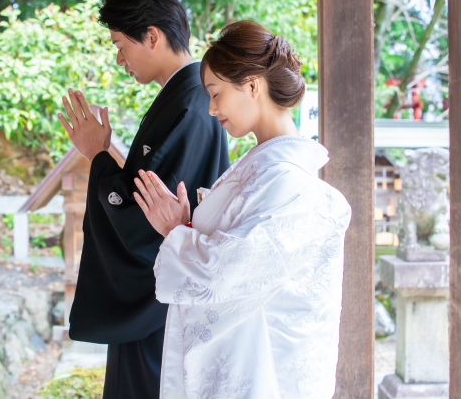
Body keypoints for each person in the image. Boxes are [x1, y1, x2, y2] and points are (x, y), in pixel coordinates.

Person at [133, 21, 352, 399]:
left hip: (264, 371)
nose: (212, 107)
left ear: (252, 86)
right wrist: (189, 224)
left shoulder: (286, 181)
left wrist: (175, 230)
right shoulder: (262, 170)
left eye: (216, 93)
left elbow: (230, 272)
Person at [58, 0, 230, 399]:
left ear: (151, 36)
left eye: (121, 45)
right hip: (164, 299)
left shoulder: (190, 106)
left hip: (160, 308)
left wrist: (98, 154)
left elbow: (142, 219)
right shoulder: (186, 99)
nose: (119, 59)